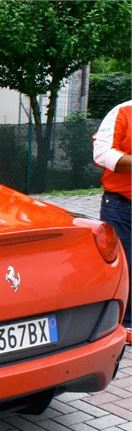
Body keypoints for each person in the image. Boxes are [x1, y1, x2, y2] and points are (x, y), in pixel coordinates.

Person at [93, 100, 131, 329]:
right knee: (125, 266)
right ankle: (123, 324)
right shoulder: (123, 112)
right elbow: (101, 153)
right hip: (121, 205)